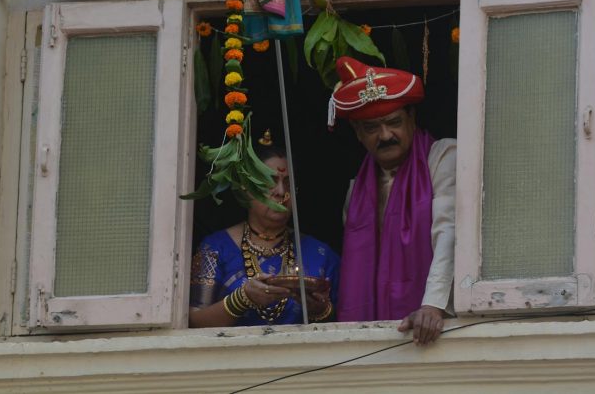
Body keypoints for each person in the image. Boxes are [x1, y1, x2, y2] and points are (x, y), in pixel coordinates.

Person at [330, 56, 456, 345]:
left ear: (412, 119)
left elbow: (447, 232)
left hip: (436, 328)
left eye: (394, 122)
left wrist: (433, 305)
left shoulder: (442, 157)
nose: (386, 135)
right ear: (359, 134)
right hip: (376, 342)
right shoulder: (357, 191)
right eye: (372, 128)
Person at [188, 135, 340, 327]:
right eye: (270, 181)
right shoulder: (216, 248)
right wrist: (241, 299)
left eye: (288, 183)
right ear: (246, 188)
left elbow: (349, 320)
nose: (280, 192)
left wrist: (319, 310)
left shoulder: (321, 254)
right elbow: (194, 321)